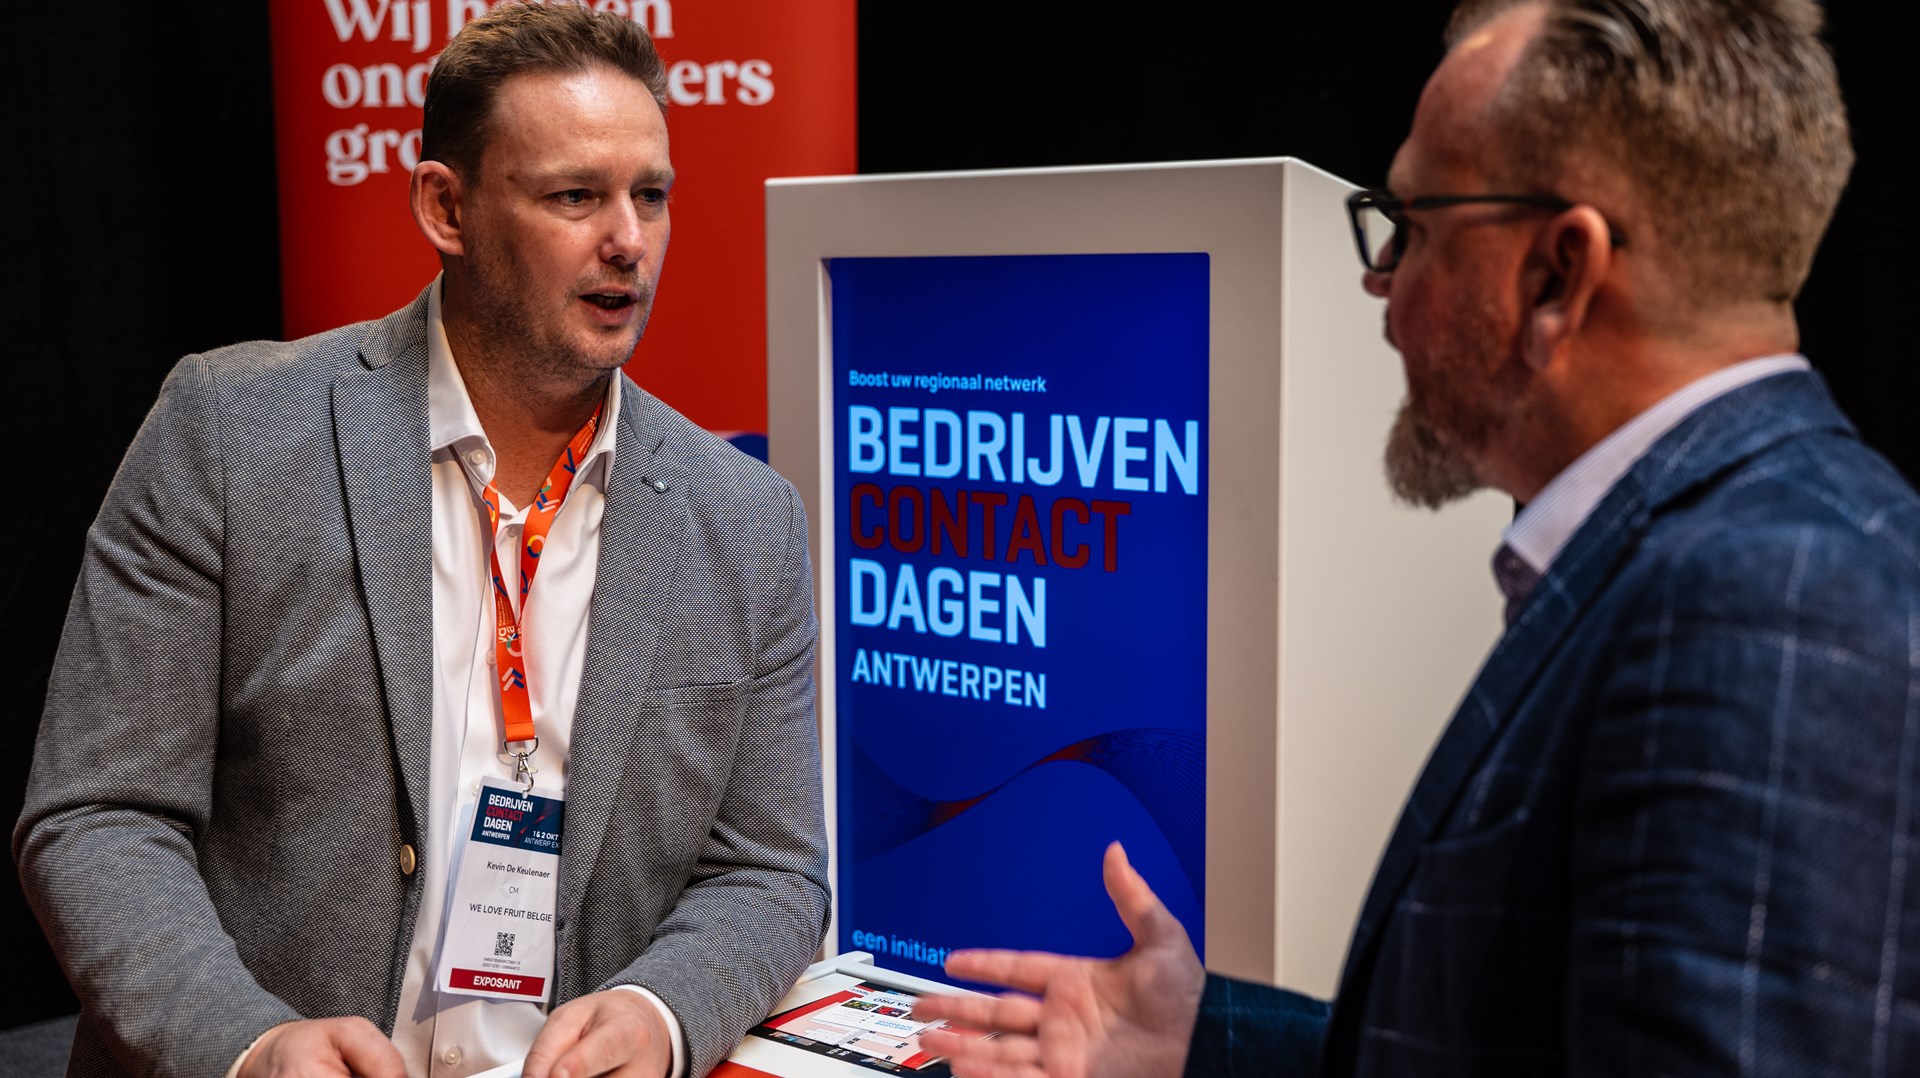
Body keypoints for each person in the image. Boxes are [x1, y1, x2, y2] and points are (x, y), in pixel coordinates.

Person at [915, 0, 1920, 1073]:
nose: (1381, 277)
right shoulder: (1702, 557)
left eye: (1416, 223)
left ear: (1557, 274)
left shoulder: (1776, 602)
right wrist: (1201, 1039)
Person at [14, 5, 827, 1078]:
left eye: (651, 195)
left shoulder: (746, 518)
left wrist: (661, 1010)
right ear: (446, 207)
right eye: (575, 196)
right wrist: (246, 1044)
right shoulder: (230, 435)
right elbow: (98, 815)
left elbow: (770, 870)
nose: (628, 239)